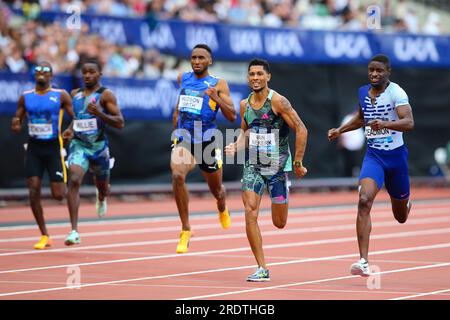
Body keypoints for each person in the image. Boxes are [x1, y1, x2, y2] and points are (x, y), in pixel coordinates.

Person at [328, 54, 414, 277]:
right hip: (374, 156)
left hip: (396, 158)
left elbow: (409, 122)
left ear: (388, 72)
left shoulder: (397, 92)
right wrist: (340, 130)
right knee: (364, 200)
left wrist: (385, 123)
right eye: (371, 70)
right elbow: (360, 118)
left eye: (379, 71)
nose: (374, 74)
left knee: (401, 217)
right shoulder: (362, 92)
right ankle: (363, 260)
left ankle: (405, 204)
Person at [225, 58, 308, 281]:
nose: (255, 78)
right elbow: (246, 132)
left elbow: (301, 129)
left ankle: (282, 194)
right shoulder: (244, 105)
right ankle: (262, 267)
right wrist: (236, 145)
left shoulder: (279, 102)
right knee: (250, 212)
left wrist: (298, 162)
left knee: (279, 222)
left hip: (278, 167)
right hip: (253, 164)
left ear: (268, 77)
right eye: (251, 74)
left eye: (259, 74)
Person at [171, 44, 236, 254]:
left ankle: (222, 205)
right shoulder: (183, 78)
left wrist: (216, 98)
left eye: (201, 58)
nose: (197, 61)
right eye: (193, 57)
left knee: (216, 190)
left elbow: (232, 115)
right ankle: (186, 229)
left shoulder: (219, 83)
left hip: (207, 140)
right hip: (185, 137)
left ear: (209, 61)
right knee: (177, 175)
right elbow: (179, 105)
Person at [11, 61, 74, 249]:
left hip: (54, 147)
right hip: (34, 148)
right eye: (38, 70)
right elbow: (18, 119)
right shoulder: (25, 97)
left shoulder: (60, 95)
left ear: (51, 76)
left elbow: (76, 116)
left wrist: (70, 130)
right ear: (34, 75)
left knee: (59, 195)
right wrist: (16, 125)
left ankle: (70, 183)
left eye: (45, 71)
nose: (41, 73)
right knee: (33, 189)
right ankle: (44, 234)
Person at [63, 60, 124, 245]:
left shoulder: (105, 95)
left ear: (99, 74)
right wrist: (70, 129)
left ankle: (101, 196)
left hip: (98, 148)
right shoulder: (75, 95)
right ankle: (74, 231)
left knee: (103, 187)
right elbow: (77, 118)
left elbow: (120, 122)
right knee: (73, 179)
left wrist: (100, 113)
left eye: (92, 72)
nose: (87, 75)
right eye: (85, 72)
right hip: (79, 145)